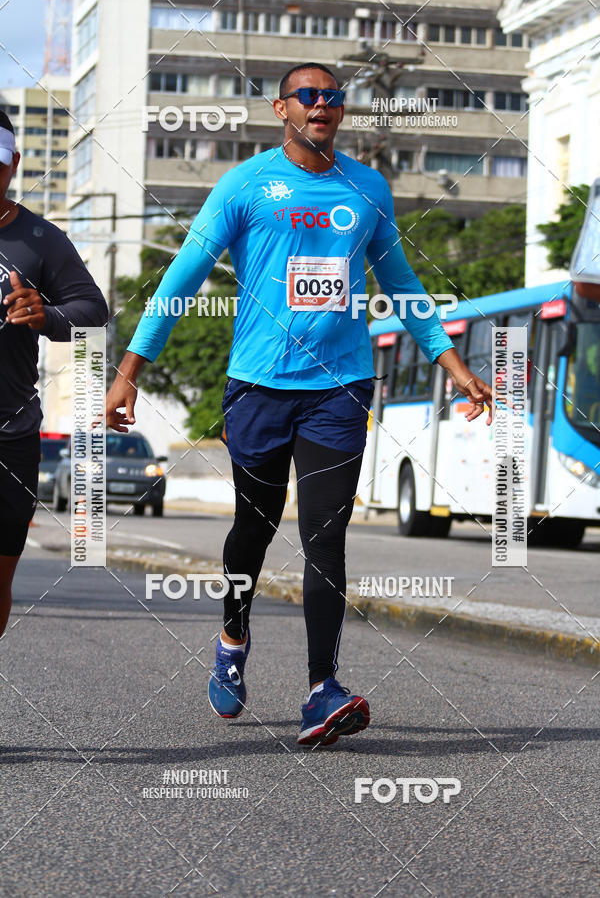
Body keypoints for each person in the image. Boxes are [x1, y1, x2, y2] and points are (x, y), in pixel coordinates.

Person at [106, 63, 492, 747]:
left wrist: (453, 363)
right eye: (308, 96)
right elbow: (182, 277)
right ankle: (232, 638)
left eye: (333, 96)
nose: (322, 104)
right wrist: (129, 371)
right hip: (259, 386)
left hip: (340, 389)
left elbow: (401, 283)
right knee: (252, 530)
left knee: (325, 535)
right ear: (281, 108)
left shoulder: (368, 188)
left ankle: (322, 690)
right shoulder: (245, 184)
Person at [0, 111, 108, 637]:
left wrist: (47, 316)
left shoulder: (41, 239)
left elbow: (93, 310)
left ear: (14, 164)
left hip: (11, 433)